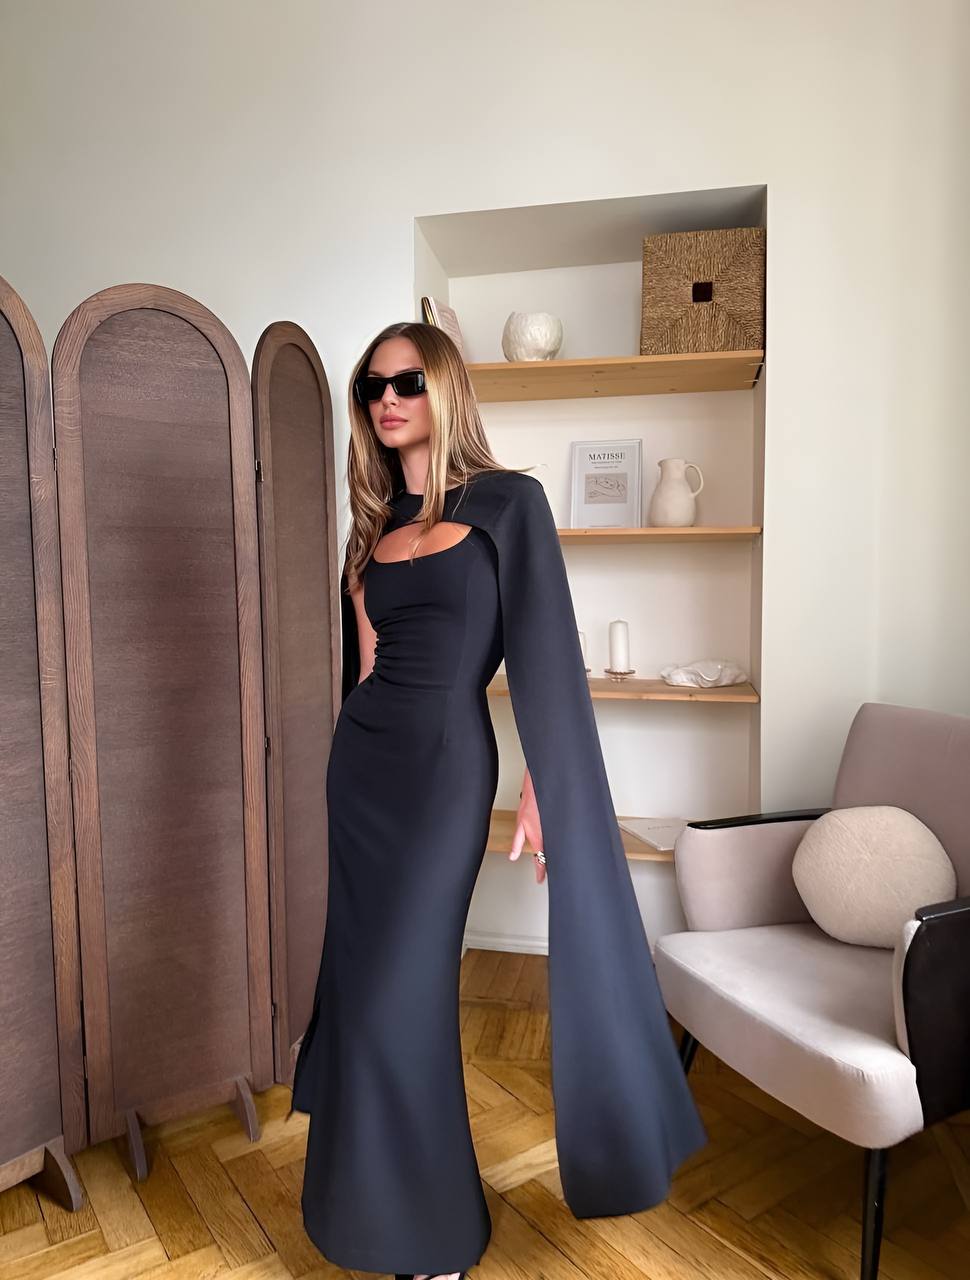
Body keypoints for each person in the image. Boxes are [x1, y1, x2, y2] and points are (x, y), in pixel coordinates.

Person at [288, 321, 708, 1279]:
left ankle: (433, 1233)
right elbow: (366, 672)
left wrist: (541, 783)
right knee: (360, 997)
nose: (384, 400)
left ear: (441, 387)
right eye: (369, 388)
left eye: (402, 381)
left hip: (443, 776)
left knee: (405, 992)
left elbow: (545, 657)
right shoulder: (375, 532)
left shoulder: (509, 507)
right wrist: (339, 760)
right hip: (361, 776)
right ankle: (361, 1214)